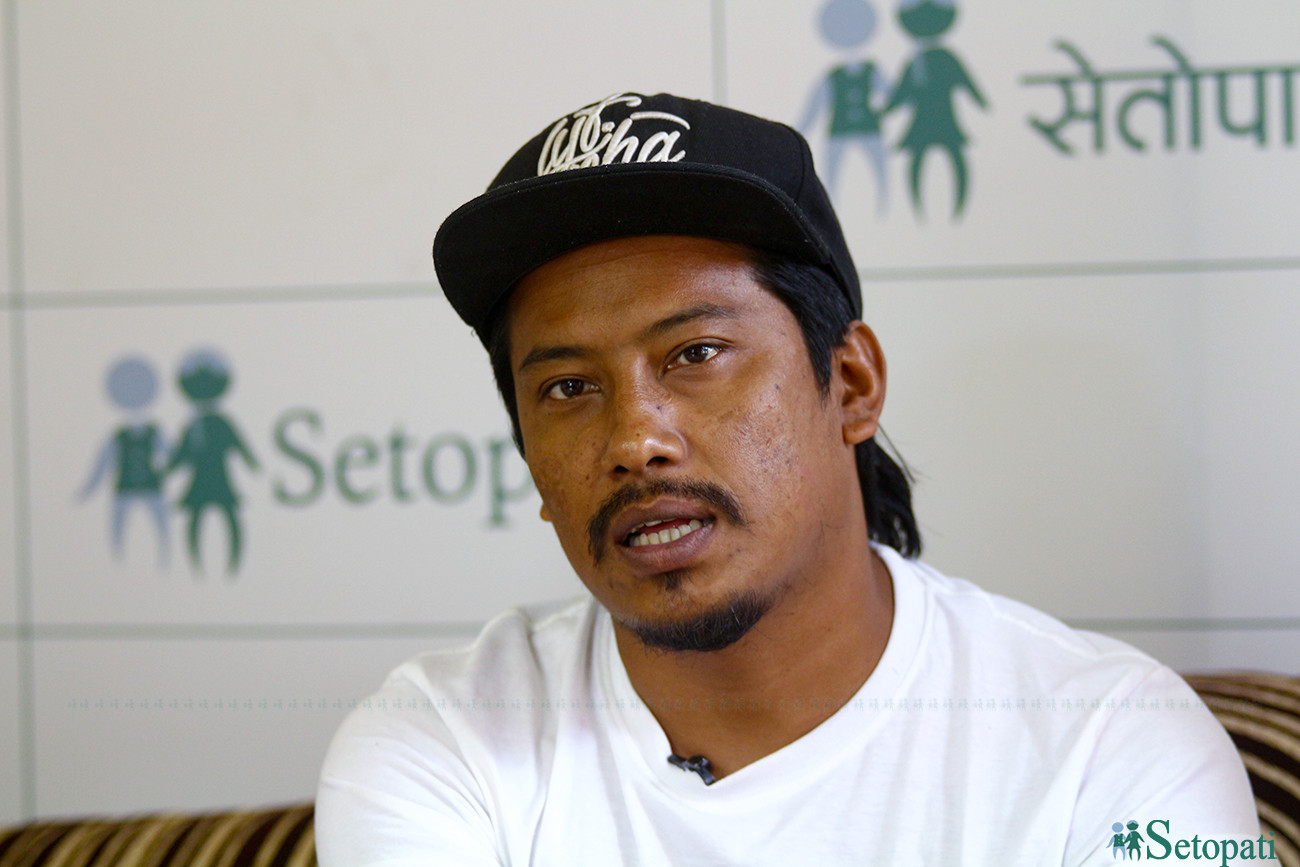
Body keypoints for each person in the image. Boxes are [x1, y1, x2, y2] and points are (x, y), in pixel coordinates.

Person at [317, 92, 1256, 865]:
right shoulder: (442, 738)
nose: (635, 440)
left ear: (851, 382)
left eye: (696, 353)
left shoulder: (1111, 739)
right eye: (568, 387)